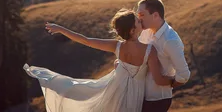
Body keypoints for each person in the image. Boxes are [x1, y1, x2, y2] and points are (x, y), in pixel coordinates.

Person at [23, 8, 172, 112]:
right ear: (133, 30)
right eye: (138, 21)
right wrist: (177, 79)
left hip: (115, 91)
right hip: (134, 96)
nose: (141, 21)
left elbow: (85, 40)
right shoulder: (149, 50)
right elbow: (159, 79)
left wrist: (61, 29)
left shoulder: (117, 46)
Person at [137, 0, 190, 112]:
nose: (139, 19)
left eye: (142, 15)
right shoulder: (146, 32)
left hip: (157, 100)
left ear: (155, 15)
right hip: (140, 97)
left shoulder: (170, 40)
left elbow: (184, 74)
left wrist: (165, 83)